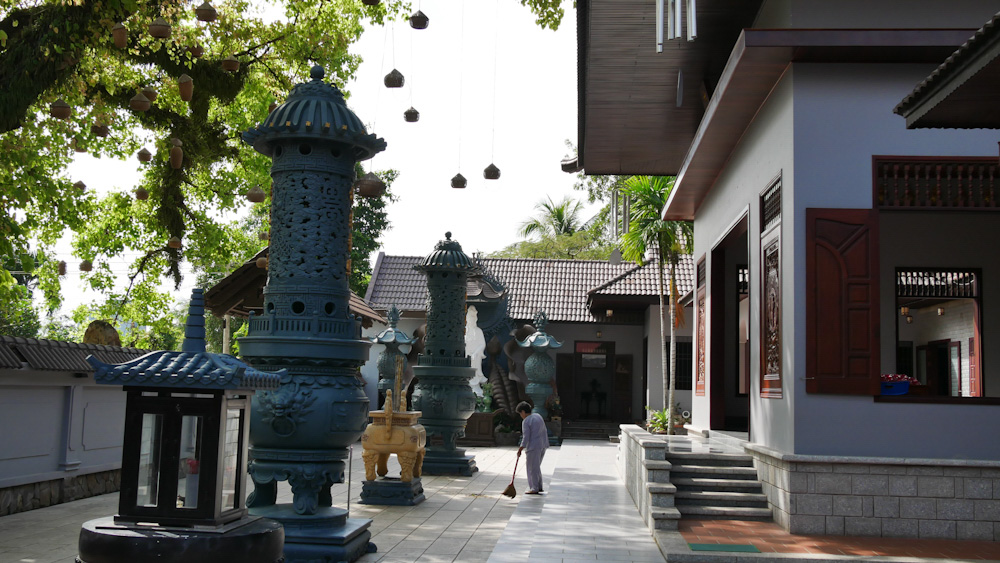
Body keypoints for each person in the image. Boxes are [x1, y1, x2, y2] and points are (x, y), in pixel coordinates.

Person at [516, 401, 548, 494]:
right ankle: (539, 486)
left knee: (532, 468)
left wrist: (520, 449)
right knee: (536, 466)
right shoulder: (538, 416)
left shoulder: (526, 421)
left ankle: (534, 488)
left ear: (522, 412)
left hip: (533, 447)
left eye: (520, 414)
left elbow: (526, 437)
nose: (520, 416)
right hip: (542, 445)